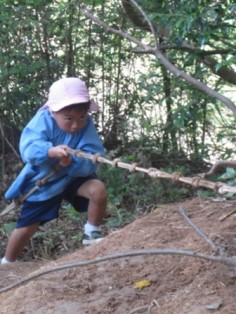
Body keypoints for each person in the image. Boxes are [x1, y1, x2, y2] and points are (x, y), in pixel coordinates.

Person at [1, 77, 107, 264]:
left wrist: (74, 161)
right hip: (44, 182)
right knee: (26, 228)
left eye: (82, 116)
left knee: (97, 190)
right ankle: (8, 263)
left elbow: (93, 152)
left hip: (74, 176)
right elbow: (29, 149)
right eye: (68, 119)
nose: (76, 124)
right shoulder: (42, 120)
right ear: (53, 111)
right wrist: (50, 152)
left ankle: (92, 232)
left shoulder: (86, 125)